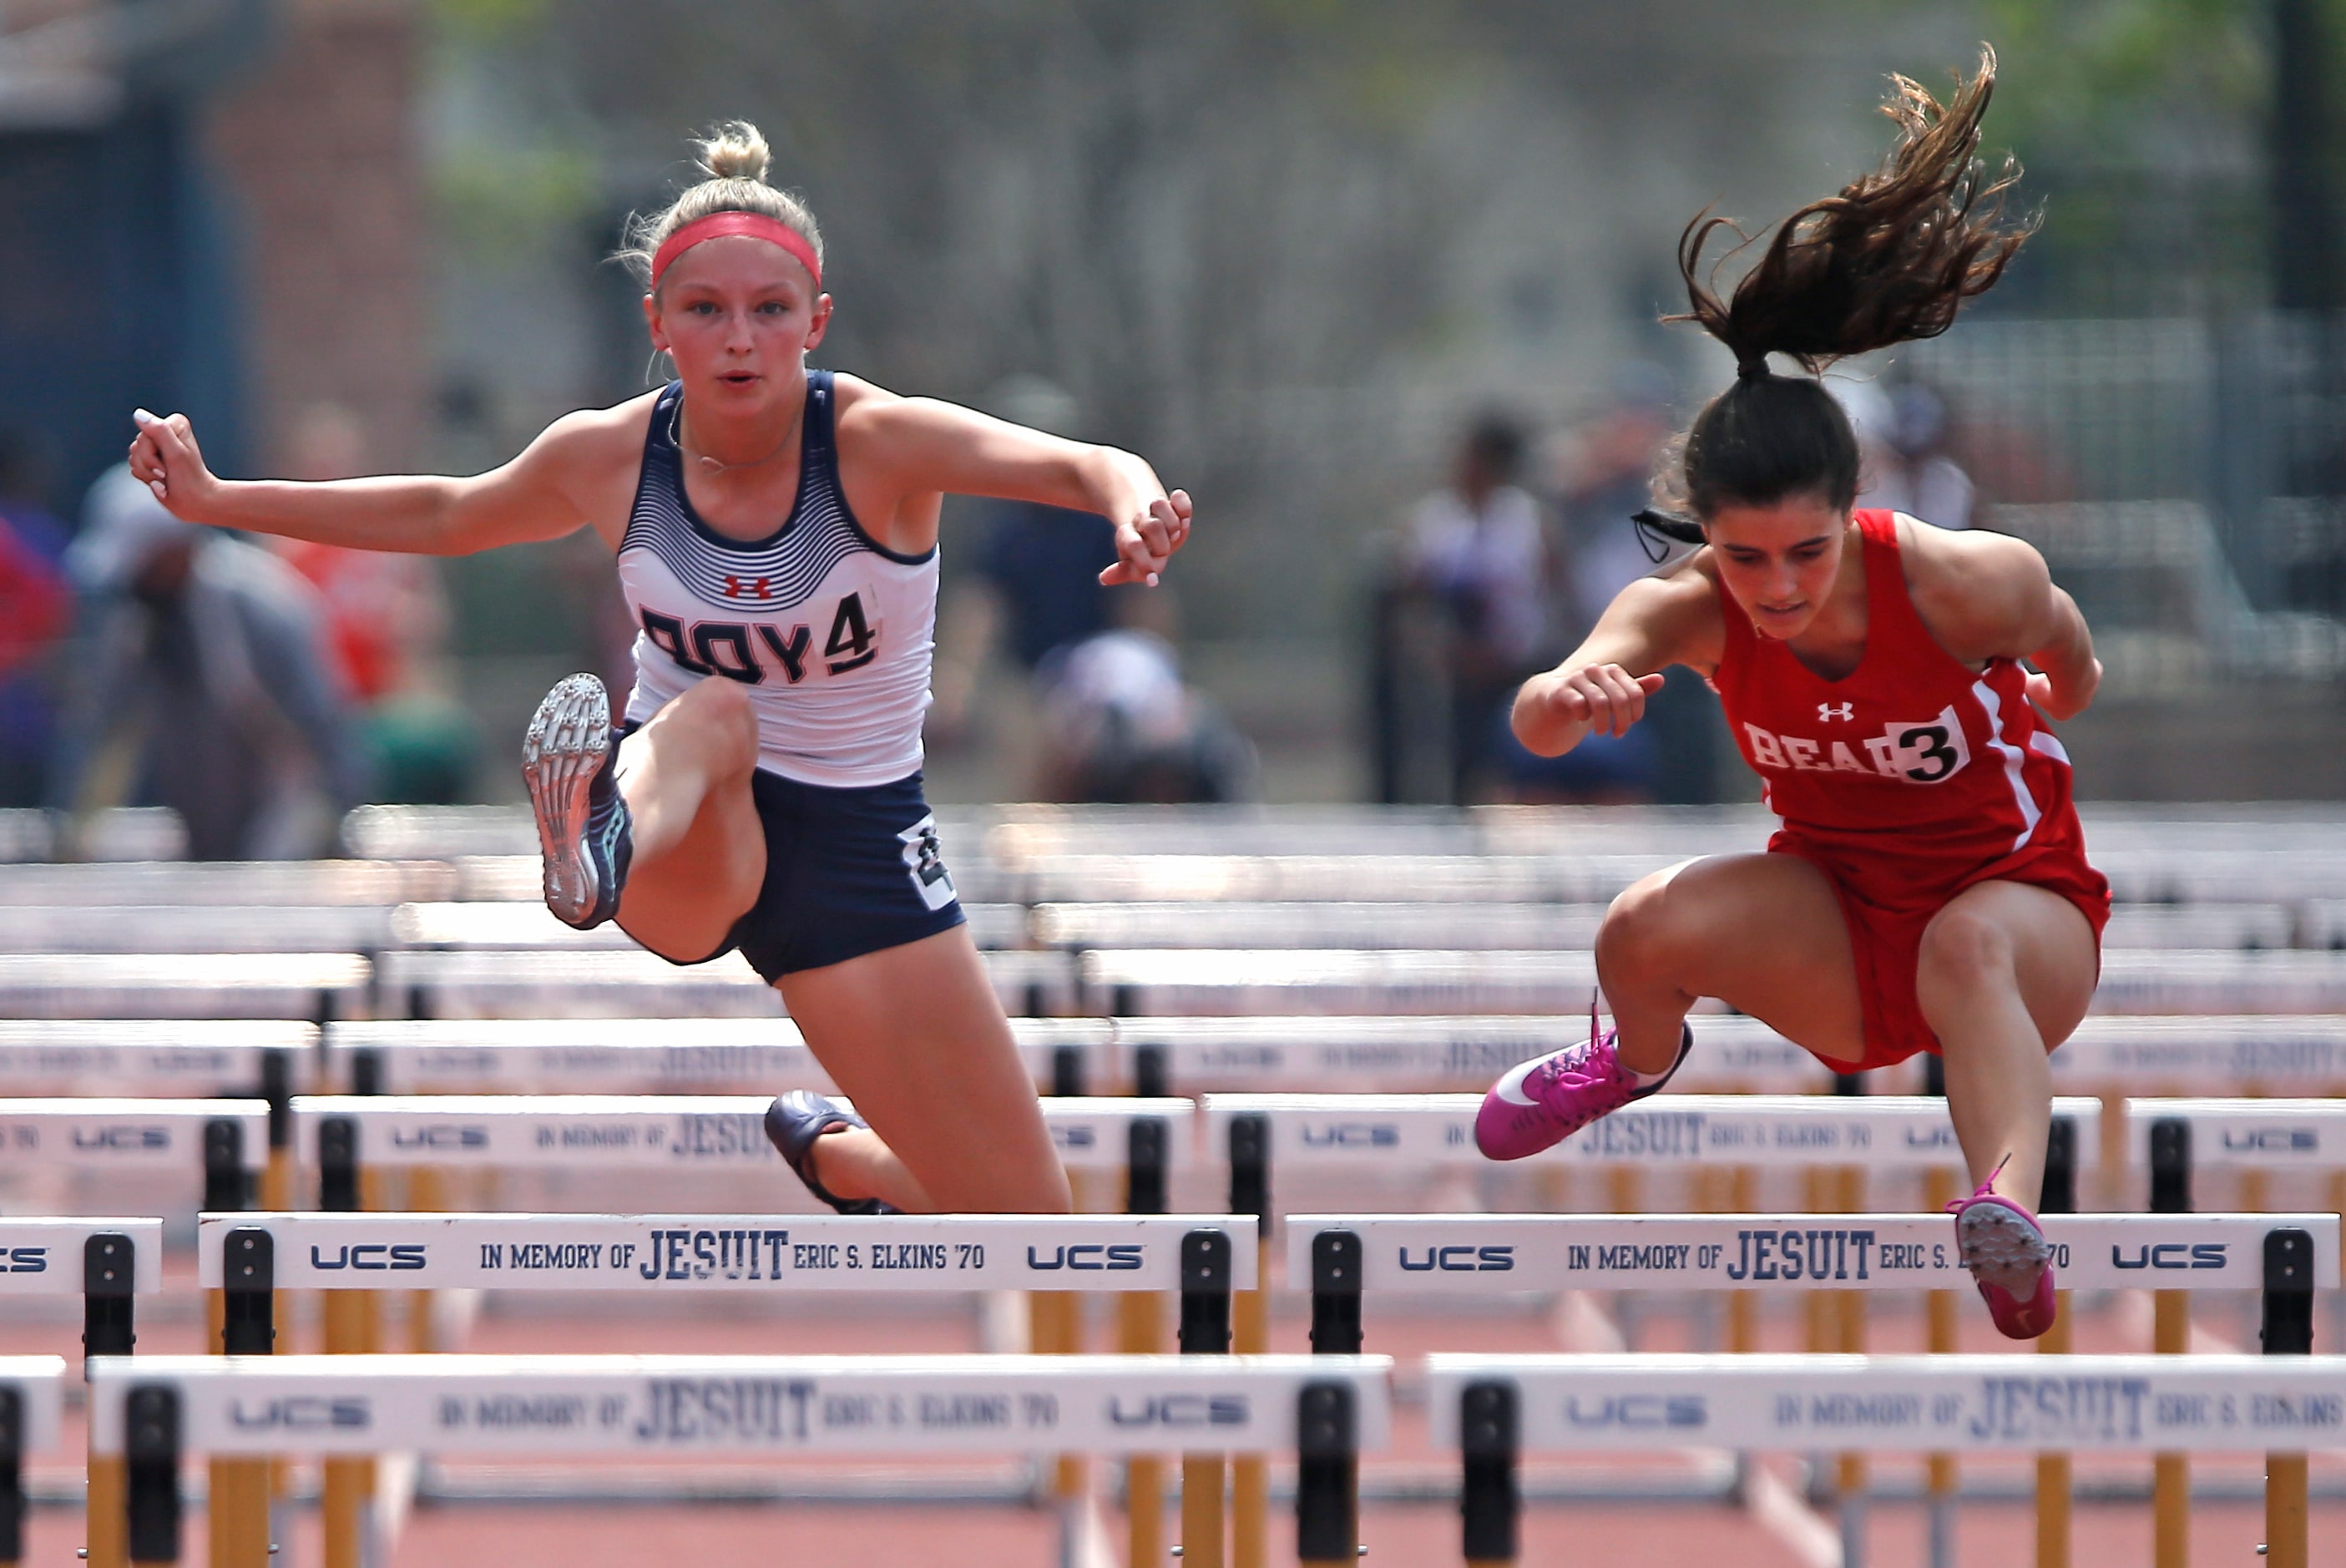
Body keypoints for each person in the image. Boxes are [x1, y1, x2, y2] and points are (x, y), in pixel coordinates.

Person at [126, 122, 1192, 1216]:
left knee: (1035, 1221)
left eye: (769, 311)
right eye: (706, 311)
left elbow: (1078, 461)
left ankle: (837, 1156)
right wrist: (221, 501)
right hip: (681, 833)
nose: (740, 339)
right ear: (660, 325)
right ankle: (595, 823)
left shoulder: (877, 441)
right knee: (716, 709)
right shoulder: (611, 455)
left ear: (815, 324)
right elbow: (450, 510)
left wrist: (1134, 503)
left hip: (862, 843)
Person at [1474, 52, 2107, 1341]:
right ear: (1705, 533)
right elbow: (1534, 715)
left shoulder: (1958, 582)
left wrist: (2060, 688)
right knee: (1636, 925)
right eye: (1746, 557)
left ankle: (2007, 1217)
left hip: (2019, 917)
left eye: (1807, 556)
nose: (1777, 590)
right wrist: (1571, 688)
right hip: (1842, 925)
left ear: (1852, 516)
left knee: (1964, 943)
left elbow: (2064, 635)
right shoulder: (1688, 608)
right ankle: (1634, 1059)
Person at [51, 467, 362, 859]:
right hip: (200, 831)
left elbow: (326, 728)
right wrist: (70, 834)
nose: (134, 579)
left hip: (284, 826)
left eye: (143, 564)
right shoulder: (140, 618)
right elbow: (100, 730)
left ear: (174, 550)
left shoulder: (262, 606)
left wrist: (334, 831)